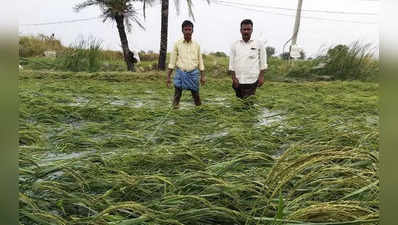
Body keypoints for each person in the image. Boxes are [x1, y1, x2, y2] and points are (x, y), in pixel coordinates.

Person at [167, 20, 206, 108]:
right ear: (182, 31)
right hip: (180, 74)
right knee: (177, 96)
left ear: (192, 31)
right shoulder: (177, 44)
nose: (188, 32)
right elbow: (172, 62)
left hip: (193, 74)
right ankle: (175, 111)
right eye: (186, 30)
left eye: (189, 29)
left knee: (196, 96)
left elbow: (200, 61)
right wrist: (168, 77)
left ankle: (199, 112)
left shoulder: (196, 45)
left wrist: (203, 76)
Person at [228, 19, 267, 99]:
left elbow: (263, 61)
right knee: (239, 102)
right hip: (238, 80)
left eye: (248, 29)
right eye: (244, 29)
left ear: (252, 30)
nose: (246, 31)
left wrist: (261, 77)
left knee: (248, 103)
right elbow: (231, 64)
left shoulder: (259, 44)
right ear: (240, 30)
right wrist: (234, 78)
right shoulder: (235, 45)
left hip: (252, 80)